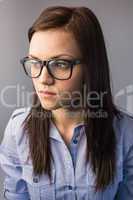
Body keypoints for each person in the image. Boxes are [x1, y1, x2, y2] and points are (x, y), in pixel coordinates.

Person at [0, 5, 133, 200]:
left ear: (91, 67)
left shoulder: (126, 133)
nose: (43, 79)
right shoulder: (18, 130)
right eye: (35, 62)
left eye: (60, 64)